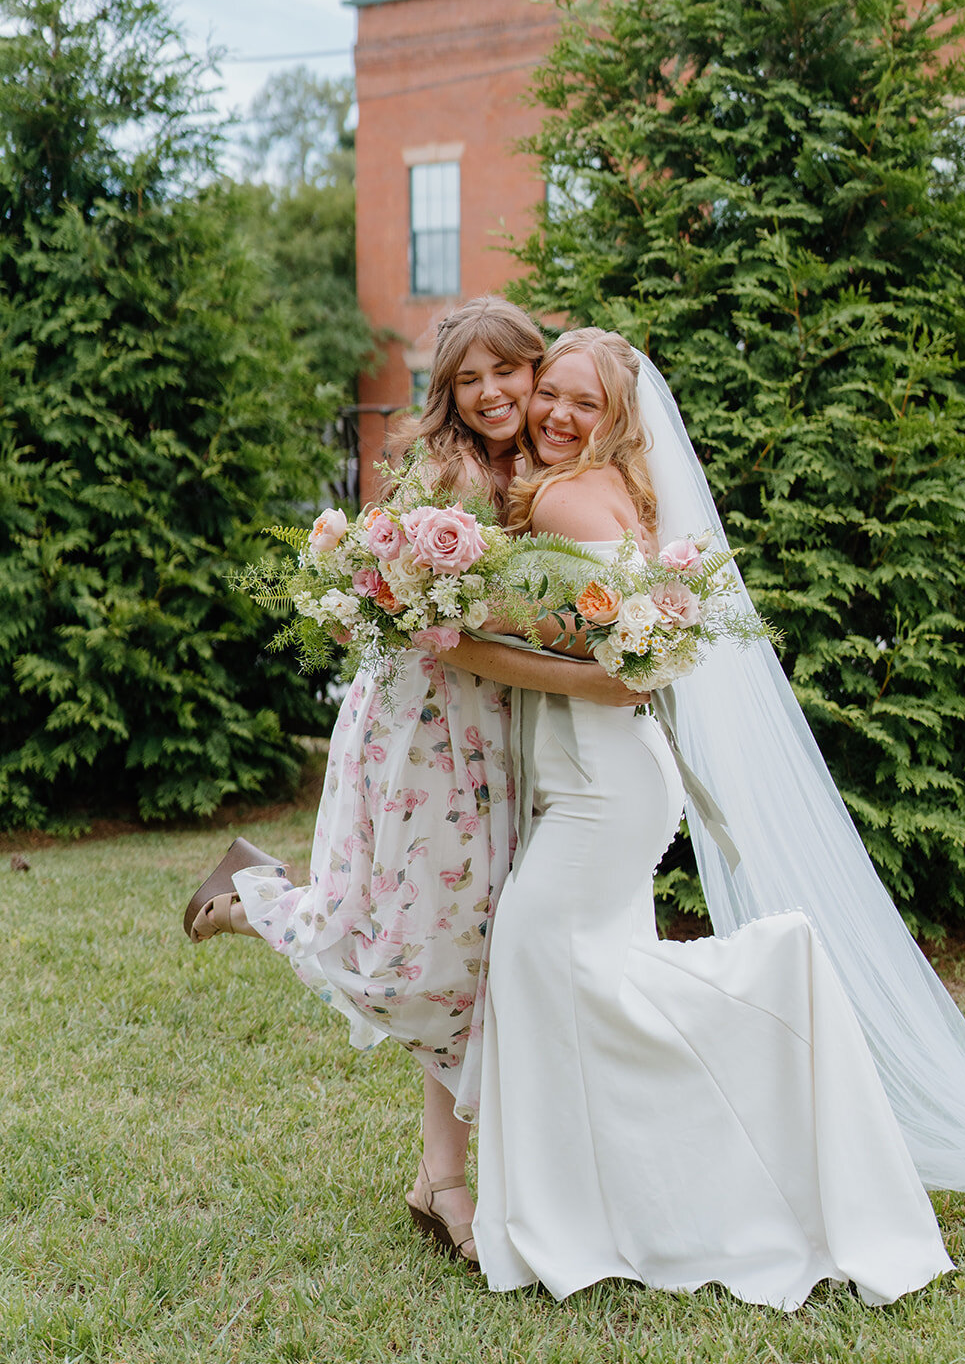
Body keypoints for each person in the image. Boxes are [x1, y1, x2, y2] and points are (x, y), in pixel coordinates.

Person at [459, 329, 955, 1308]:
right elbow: (613, 644)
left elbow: (619, 675)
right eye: (547, 392)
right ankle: (625, 1206)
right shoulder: (610, 491)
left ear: (617, 418)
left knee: (558, 974)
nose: (556, 414)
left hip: (602, 785)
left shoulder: (566, 497)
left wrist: (463, 647)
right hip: (610, 782)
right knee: (589, 994)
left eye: (581, 404)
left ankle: (774, 992)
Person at [182, 298, 639, 1269]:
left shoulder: (545, 469)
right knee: (405, 956)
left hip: (500, 732)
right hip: (424, 740)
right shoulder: (443, 473)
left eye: (506, 374)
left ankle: (441, 1180)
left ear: (533, 369)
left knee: (469, 958)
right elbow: (378, 606)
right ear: (447, 393)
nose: (492, 395)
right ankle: (251, 898)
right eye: (467, 380)